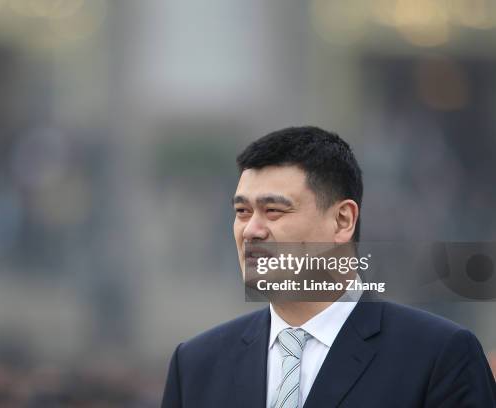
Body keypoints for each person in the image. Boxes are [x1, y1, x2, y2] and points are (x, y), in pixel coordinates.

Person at [161, 126, 496, 407]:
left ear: (342, 220)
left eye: (273, 210)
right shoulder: (195, 366)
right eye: (242, 212)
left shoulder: (438, 357)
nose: (251, 230)